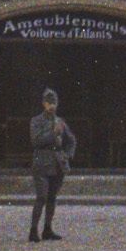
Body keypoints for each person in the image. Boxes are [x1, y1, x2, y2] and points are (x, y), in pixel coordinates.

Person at [28, 87, 76, 242]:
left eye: (54, 102)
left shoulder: (60, 122)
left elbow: (71, 140)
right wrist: (53, 134)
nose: (51, 106)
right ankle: (33, 230)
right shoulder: (36, 121)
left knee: (52, 198)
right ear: (43, 103)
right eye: (49, 102)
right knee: (41, 197)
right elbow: (36, 141)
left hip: (57, 165)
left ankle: (47, 228)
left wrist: (67, 155)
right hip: (41, 164)